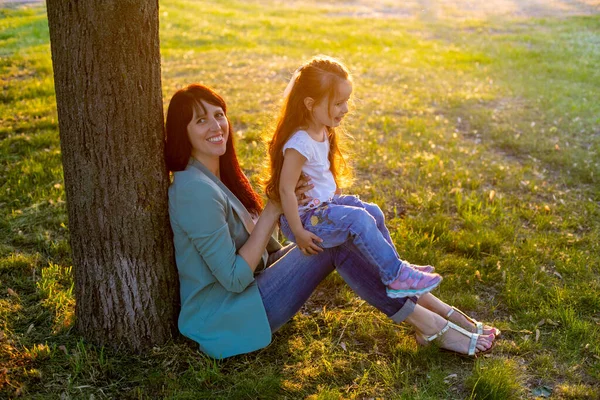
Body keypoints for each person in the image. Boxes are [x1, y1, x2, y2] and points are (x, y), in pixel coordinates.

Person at [164, 83, 499, 360]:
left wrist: (295, 210)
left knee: (358, 216)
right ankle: (429, 321)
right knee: (337, 235)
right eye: (200, 121)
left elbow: (265, 252)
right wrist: (274, 209)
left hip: (251, 292)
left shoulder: (218, 178)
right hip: (229, 315)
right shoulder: (194, 190)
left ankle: (433, 312)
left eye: (219, 115)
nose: (216, 126)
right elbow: (235, 278)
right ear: (183, 133)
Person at [264, 55, 441, 299]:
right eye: (338, 103)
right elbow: (285, 191)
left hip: (322, 208)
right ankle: (395, 275)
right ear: (310, 103)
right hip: (306, 220)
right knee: (358, 220)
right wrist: (298, 232)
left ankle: (396, 268)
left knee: (373, 212)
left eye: (346, 101)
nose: (345, 109)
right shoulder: (299, 143)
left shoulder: (321, 130)